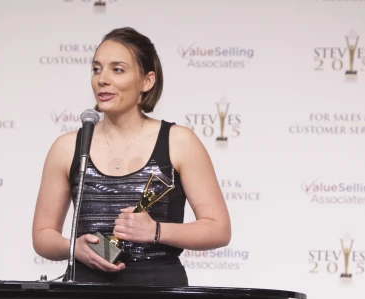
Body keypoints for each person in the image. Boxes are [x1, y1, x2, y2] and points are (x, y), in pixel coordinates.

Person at [32, 27, 230, 285]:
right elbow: (43, 235)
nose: (102, 79)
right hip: (84, 296)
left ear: (147, 81)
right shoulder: (68, 147)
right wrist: (73, 248)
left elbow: (218, 229)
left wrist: (156, 231)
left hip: (159, 296)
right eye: (96, 69)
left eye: (117, 69)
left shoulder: (179, 141)